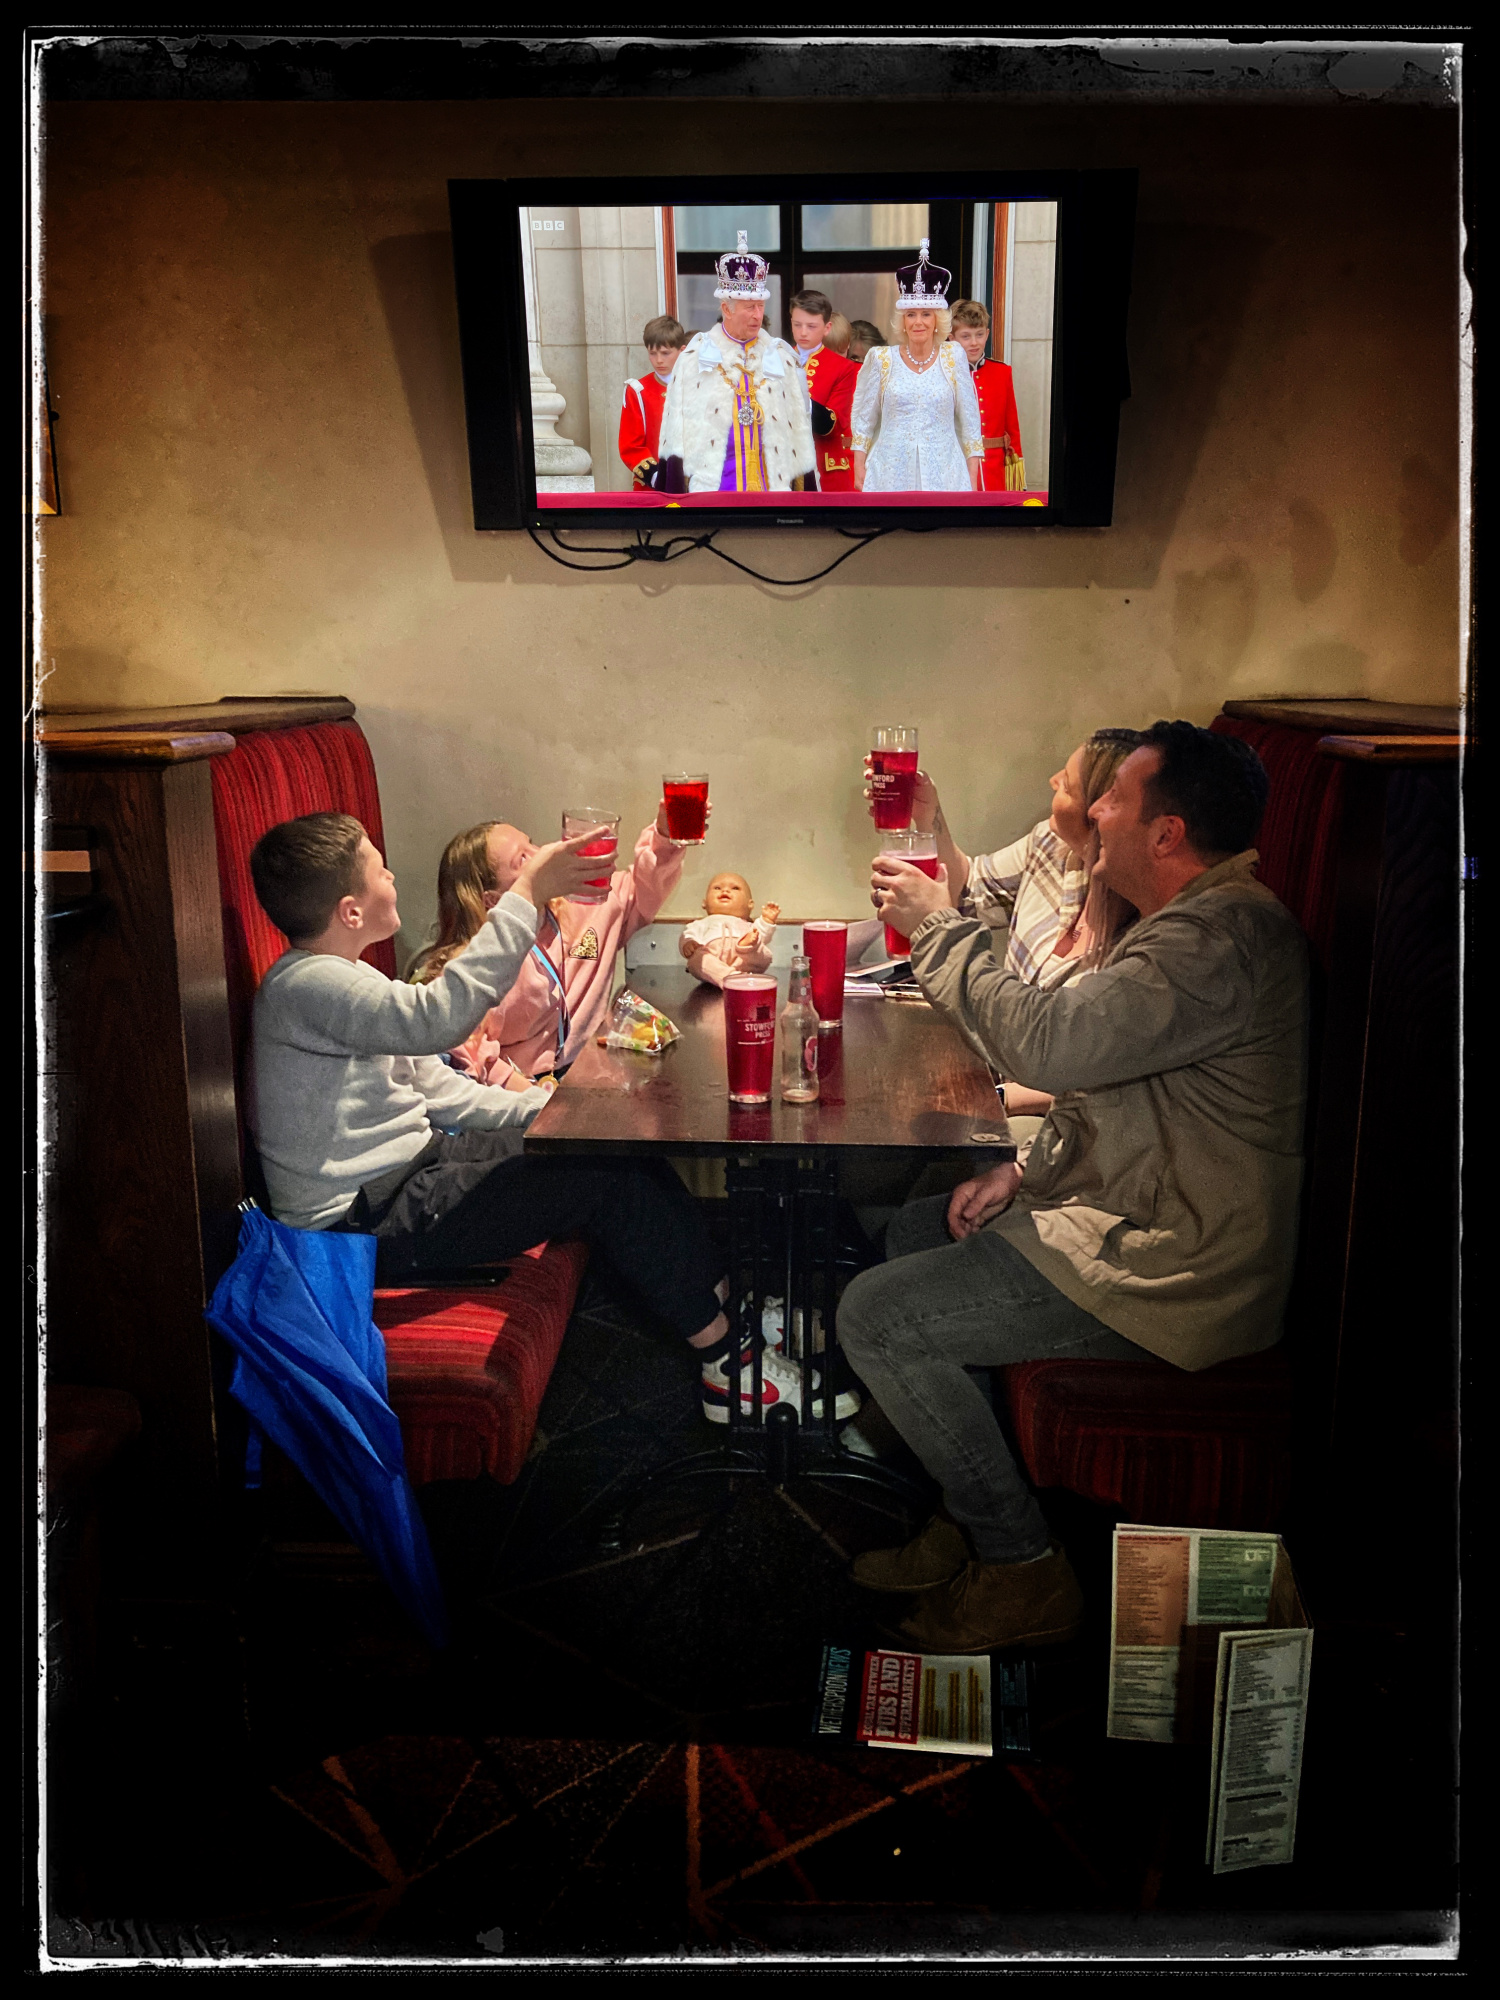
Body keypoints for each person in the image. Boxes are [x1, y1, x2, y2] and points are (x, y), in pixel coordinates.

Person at [840, 723, 1305, 1654]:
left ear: (1167, 833)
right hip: (1129, 1214)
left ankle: (1020, 1567)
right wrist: (1024, 1170)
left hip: (1175, 1270)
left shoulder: (1217, 941)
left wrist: (936, 925)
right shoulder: (1182, 922)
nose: (1093, 809)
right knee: (917, 1231)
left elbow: (1049, 1046)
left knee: (875, 1317)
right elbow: (1112, 1091)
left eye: (1114, 798)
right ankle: (967, 1508)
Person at [246, 812, 815, 1423]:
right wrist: (525, 894)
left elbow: (442, 1092)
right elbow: (439, 1020)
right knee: (601, 1182)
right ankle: (727, 1366)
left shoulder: (350, 977)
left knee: (608, 1142)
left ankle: (722, 1301)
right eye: (379, 870)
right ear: (351, 911)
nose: (392, 877)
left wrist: (570, 1110)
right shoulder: (306, 987)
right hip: (359, 1223)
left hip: (417, 1169)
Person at [865, 729, 1141, 1118]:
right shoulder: (1051, 845)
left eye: (1066, 784)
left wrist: (997, 1097)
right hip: (1000, 1073)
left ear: (1098, 812)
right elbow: (970, 890)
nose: (1053, 782)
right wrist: (928, 815)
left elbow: (1103, 1076)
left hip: (1057, 1115)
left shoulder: (1149, 917)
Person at [408, 800, 691, 1082]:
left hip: (586, 1075)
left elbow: (643, 887)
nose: (543, 853)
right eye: (522, 858)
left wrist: (666, 835)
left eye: (531, 843)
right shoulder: (482, 964)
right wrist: (527, 1093)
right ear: (493, 900)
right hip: (520, 1091)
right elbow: (461, 1051)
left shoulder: (585, 905)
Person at [652, 232, 816, 494]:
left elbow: (799, 435)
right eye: (749, 307)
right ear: (726, 309)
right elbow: (674, 437)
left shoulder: (780, 358)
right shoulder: (694, 358)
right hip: (712, 494)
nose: (757, 315)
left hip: (772, 494)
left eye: (760, 306)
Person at [849, 242, 984, 493]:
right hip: (889, 474)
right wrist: (859, 466)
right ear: (902, 321)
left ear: (937, 320)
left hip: (946, 475)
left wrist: (972, 475)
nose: (918, 322)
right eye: (911, 314)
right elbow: (864, 420)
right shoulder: (881, 359)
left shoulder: (953, 356)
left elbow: (970, 421)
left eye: (926, 314)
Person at [948, 298, 1026, 492]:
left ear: (987, 334)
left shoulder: (1002, 372)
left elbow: (1012, 429)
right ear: (951, 339)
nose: (974, 343)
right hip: (958, 470)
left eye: (979, 334)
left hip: (995, 473)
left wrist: (1015, 479)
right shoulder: (945, 375)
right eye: (966, 336)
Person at [789, 288, 859, 493]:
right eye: (797, 325)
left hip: (823, 470)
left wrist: (799, 399)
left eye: (811, 326)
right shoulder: (774, 359)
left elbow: (834, 424)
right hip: (784, 467)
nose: (803, 332)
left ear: (827, 328)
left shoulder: (842, 367)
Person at [618, 315, 689, 487]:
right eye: (652, 353)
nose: (659, 360)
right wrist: (657, 477)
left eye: (665, 353)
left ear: (682, 351)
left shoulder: (697, 387)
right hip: (653, 488)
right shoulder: (638, 391)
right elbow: (631, 446)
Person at [680, 872, 781, 988]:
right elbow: (688, 935)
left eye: (735, 888)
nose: (725, 891)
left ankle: (745, 946)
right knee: (697, 960)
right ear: (705, 902)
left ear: (750, 904)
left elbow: (763, 936)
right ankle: (730, 978)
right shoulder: (700, 924)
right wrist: (688, 944)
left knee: (761, 947)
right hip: (714, 959)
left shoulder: (749, 925)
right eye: (717, 888)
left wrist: (767, 921)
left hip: (746, 959)